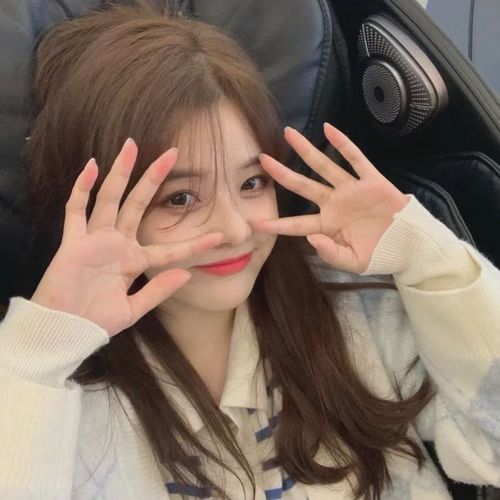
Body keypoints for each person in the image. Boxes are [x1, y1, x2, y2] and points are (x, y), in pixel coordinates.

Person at [0, 1, 499, 499]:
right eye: (180, 198)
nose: (236, 229)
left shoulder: (359, 311)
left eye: (252, 182)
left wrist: (431, 261)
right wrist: (39, 354)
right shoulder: (55, 397)